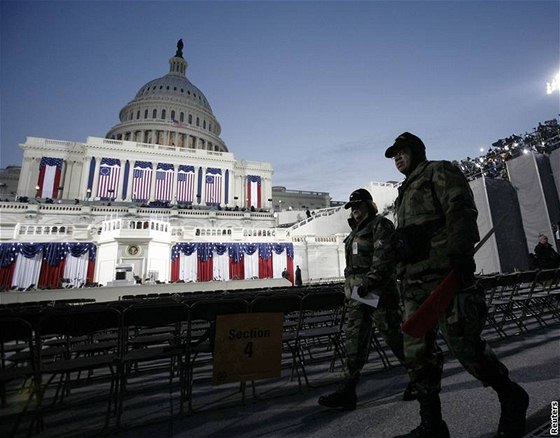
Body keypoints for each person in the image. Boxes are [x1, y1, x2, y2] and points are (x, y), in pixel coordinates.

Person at [385, 132, 529, 438]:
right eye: (394, 154)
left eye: (402, 151)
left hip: (444, 277)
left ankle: (511, 395)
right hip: (415, 283)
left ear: (416, 151)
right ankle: (432, 424)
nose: (397, 158)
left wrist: (460, 253)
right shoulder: (404, 191)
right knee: (417, 355)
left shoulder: (439, 171)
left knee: (466, 346)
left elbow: (460, 209)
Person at [318, 188, 414, 411]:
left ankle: (419, 379)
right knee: (354, 340)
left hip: (377, 292)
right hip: (358, 295)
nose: (355, 211)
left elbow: (383, 259)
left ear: (369, 206)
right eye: (352, 208)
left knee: (394, 337)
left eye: (359, 206)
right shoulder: (355, 231)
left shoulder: (380, 225)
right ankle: (348, 391)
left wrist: (368, 283)